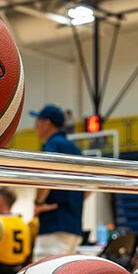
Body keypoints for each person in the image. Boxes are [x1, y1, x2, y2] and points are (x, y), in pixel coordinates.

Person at [30, 104, 84, 261]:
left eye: (37, 121)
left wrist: (38, 202)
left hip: (53, 225)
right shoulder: (75, 149)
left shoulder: (52, 145)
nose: (34, 127)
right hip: (74, 227)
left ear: (46, 123)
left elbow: (47, 174)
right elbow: (89, 186)